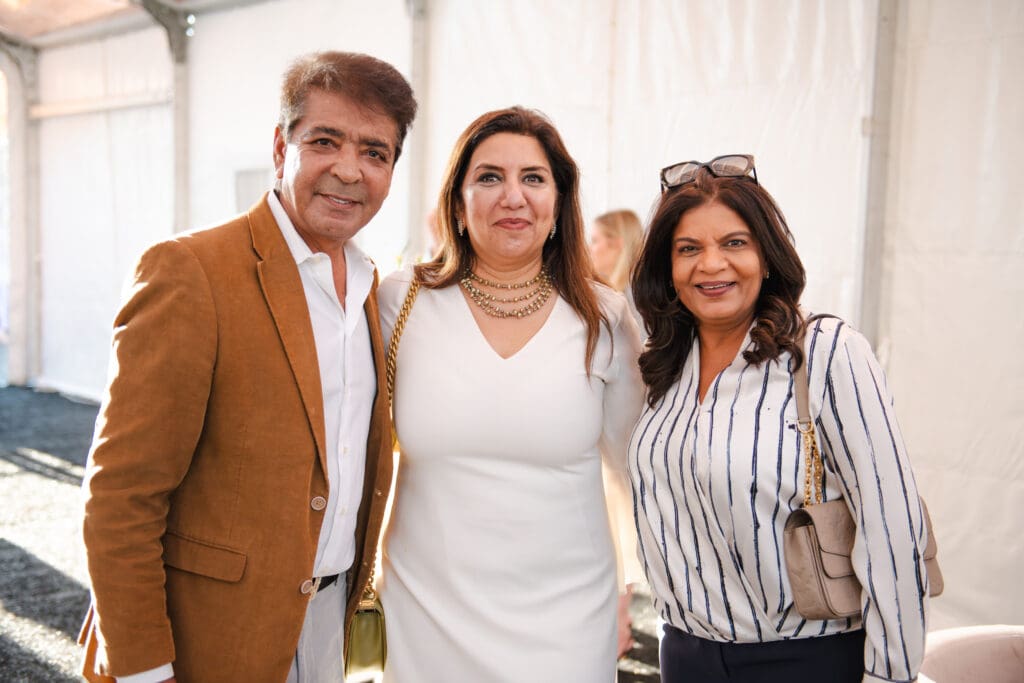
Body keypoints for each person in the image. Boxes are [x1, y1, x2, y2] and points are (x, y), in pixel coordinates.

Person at [78, 51, 416, 683]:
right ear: (280, 148)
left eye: (375, 152)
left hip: (328, 621)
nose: (349, 169)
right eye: (325, 141)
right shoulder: (191, 271)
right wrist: (145, 671)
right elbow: (121, 497)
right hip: (209, 633)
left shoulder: (376, 289)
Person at [628, 155, 930, 682]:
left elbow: (892, 525)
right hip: (684, 656)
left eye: (734, 243)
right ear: (668, 270)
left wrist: (890, 674)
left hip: (804, 661)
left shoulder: (827, 352)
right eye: (688, 249)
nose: (711, 264)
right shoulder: (662, 368)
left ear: (767, 257)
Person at [377, 106, 645, 682]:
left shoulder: (604, 317)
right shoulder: (398, 303)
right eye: (489, 177)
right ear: (457, 200)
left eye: (533, 178)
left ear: (558, 202)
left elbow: (636, 471)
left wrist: (632, 590)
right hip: (428, 616)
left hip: (569, 622)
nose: (512, 197)